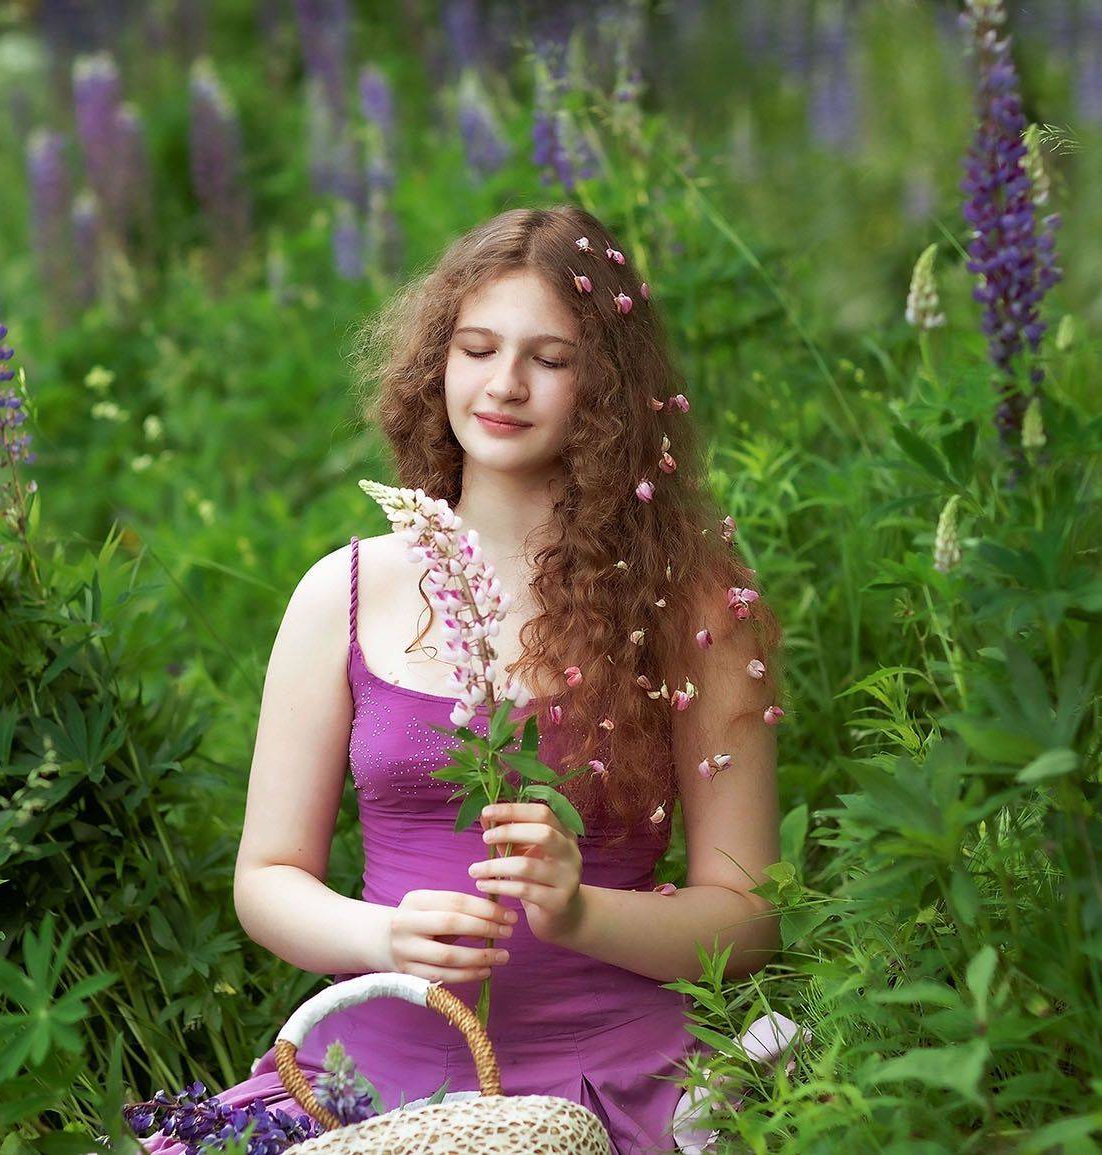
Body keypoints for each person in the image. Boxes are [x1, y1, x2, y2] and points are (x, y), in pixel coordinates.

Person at [136, 205, 785, 1155]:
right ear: (438, 360)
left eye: (552, 359)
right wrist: (382, 937)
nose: (505, 385)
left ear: (609, 387)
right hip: (371, 1089)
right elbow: (267, 878)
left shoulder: (692, 605)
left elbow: (749, 917)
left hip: (613, 1080)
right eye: (477, 348)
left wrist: (579, 910)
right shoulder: (344, 593)